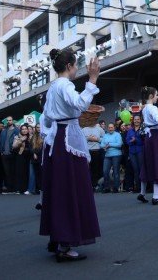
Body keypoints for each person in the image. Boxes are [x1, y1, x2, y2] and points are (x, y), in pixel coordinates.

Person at [40, 48, 101, 262]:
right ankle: (65, 244)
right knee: (70, 189)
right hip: (66, 139)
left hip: (58, 138)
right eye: (75, 65)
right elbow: (80, 104)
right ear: (68, 66)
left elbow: (46, 117)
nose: (76, 69)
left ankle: (58, 238)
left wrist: (49, 134)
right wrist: (93, 78)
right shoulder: (65, 84)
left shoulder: (53, 86)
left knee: (60, 189)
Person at [100, 123, 123, 193]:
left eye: (112, 127)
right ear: (108, 128)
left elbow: (119, 144)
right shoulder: (105, 135)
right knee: (105, 171)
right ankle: (107, 187)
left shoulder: (117, 134)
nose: (110, 129)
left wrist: (109, 145)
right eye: (109, 127)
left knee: (116, 171)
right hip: (107, 155)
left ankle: (116, 187)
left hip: (116, 154)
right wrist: (108, 145)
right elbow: (101, 145)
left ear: (114, 128)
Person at [82, 121, 105, 190]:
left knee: (96, 169)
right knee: (87, 169)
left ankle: (94, 185)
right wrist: (88, 138)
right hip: (87, 151)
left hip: (97, 151)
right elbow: (81, 140)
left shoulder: (99, 129)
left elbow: (105, 139)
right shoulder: (84, 129)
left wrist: (97, 139)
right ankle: (87, 185)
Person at [125, 115, 144, 193]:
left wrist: (136, 140)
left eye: (138, 119)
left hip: (140, 151)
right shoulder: (130, 130)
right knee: (135, 170)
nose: (136, 121)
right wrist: (131, 141)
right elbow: (127, 141)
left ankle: (143, 187)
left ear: (140, 120)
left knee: (141, 169)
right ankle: (138, 187)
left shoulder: (142, 129)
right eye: (135, 119)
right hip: (132, 152)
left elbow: (144, 141)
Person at [13, 124, 32, 194]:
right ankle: (20, 188)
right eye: (22, 129)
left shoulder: (31, 136)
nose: (24, 130)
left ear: (28, 130)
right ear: (20, 130)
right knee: (20, 172)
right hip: (20, 156)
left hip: (29, 156)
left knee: (27, 172)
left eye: (25, 129)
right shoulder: (17, 136)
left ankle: (27, 188)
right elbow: (14, 146)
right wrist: (21, 140)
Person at [0, 117, 18, 193]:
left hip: (12, 153)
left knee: (13, 171)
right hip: (5, 154)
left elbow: (18, 141)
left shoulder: (16, 130)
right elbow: (1, 141)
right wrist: (1, 151)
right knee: (6, 172)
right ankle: (8, 188)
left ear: (12, 121)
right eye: (7, 120)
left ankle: (13, 188)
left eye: (10, 120)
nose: (8, 121)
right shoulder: (4, 131)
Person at [30, 124, 44, 194]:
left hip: (42, 157)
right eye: (37, 127)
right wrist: (33, 153)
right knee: (36, 174)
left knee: (42, 174)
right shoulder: (33, 137)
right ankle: (37, 189)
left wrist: (36, 153)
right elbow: (30, 147)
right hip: (34, 158)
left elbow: (43, 147)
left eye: (40, 127)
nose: (39, 129)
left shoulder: (44, 136)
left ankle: (42, 188)